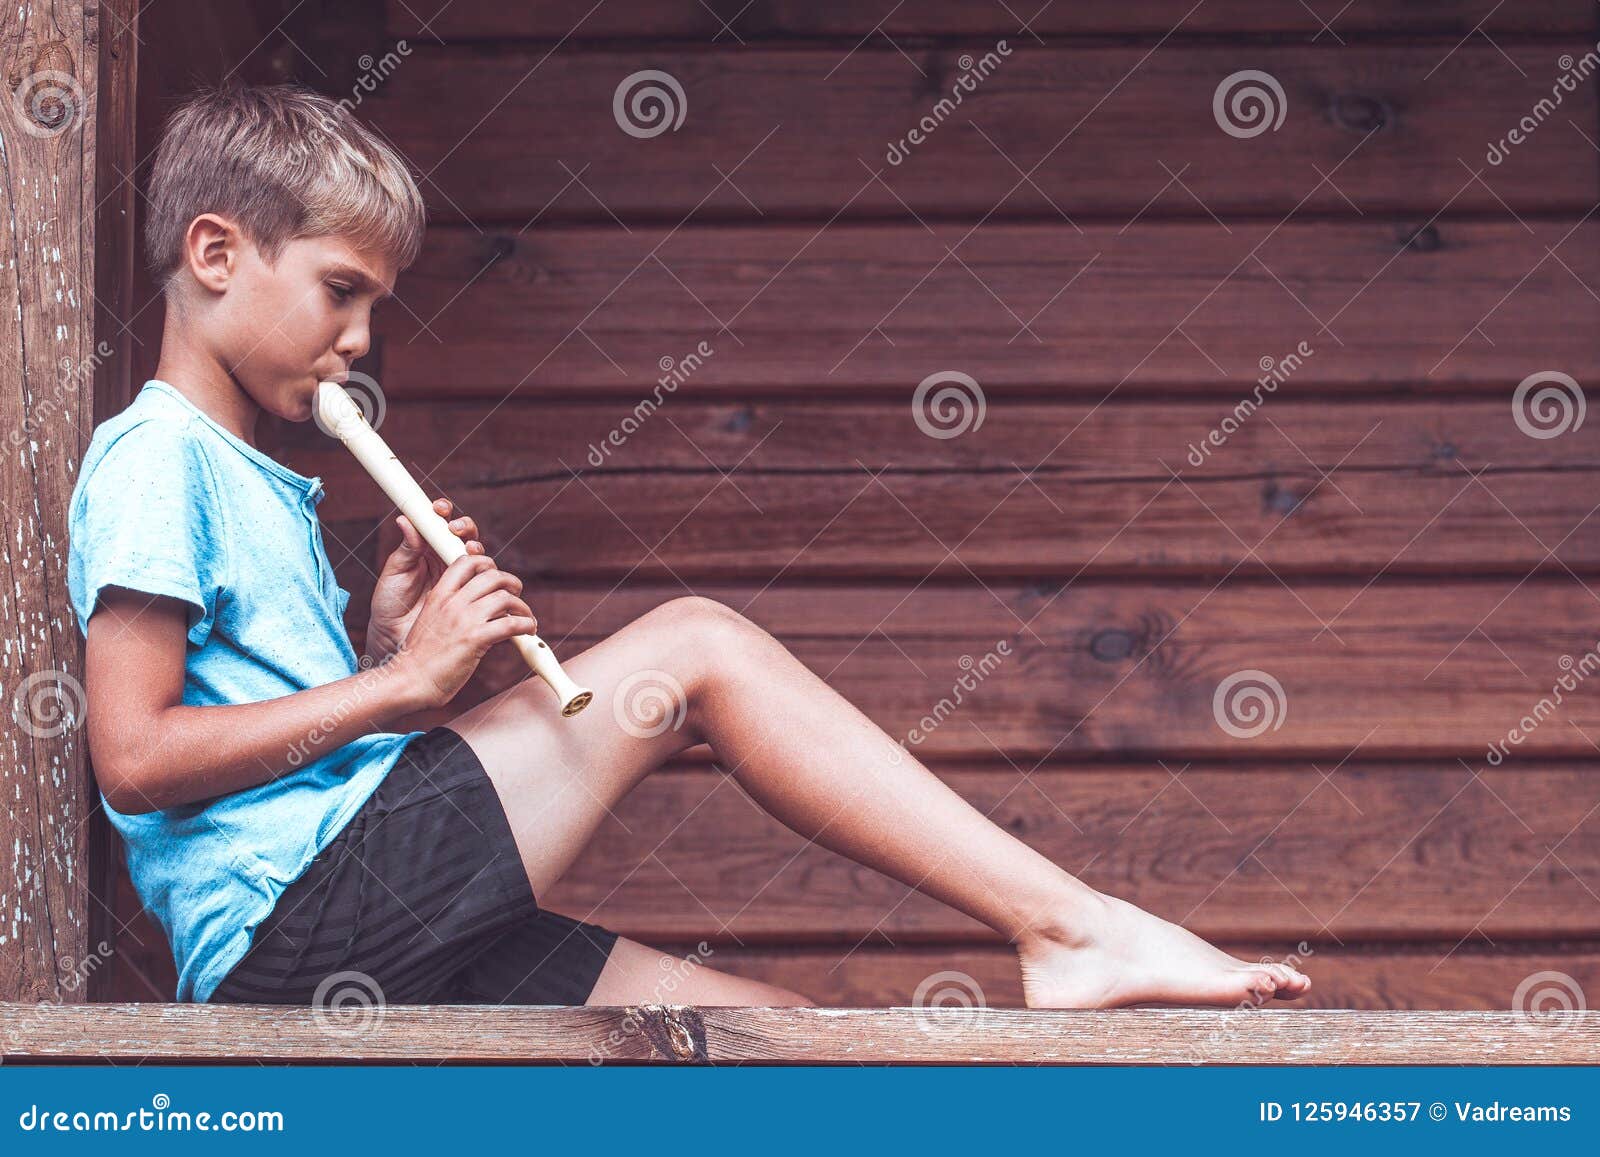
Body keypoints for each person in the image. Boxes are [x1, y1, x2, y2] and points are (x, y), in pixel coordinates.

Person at [67, 82, 1310, 1011]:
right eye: (341, 290)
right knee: (701, 646)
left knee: (782, 1045)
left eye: (376, 307)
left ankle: (1058, 950)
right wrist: (401, 683)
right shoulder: (156, 455)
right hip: (292, 940)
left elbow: (285, 744)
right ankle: (1069, 924)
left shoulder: (253, 474)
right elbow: (132, 758)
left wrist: (389, 646)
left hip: (357, 926)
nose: (359, 338)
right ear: (216, 254)